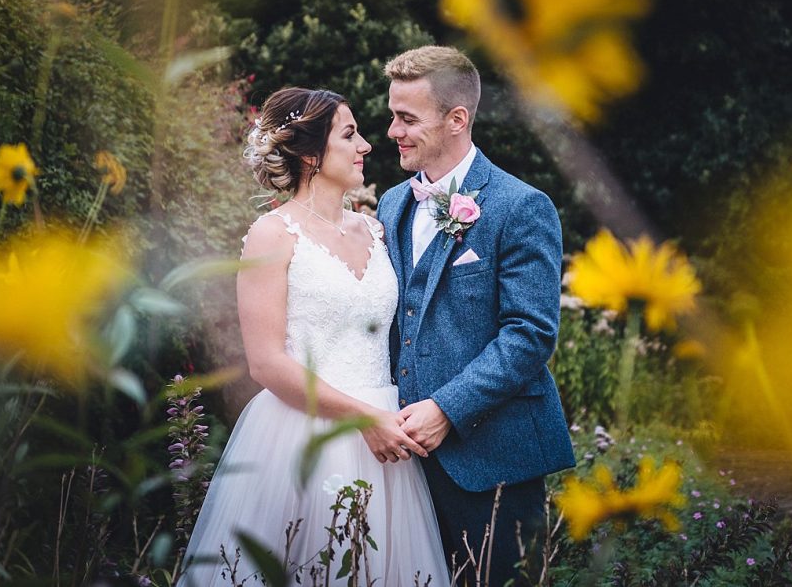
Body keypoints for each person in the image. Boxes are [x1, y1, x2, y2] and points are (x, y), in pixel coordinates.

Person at [180, 87, 449, 586]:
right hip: (305, 430)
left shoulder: (377, 230)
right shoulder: (272, 233)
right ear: (309, 154)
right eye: (350, 135)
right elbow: (265, 363)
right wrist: (362, 417)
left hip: (387, 437)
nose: (366, 145)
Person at [377, 46, 576, 586]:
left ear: (457, 119)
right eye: (392, 114)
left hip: (494, 459)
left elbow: (530, 334)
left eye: (407, 118)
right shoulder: (392, 203)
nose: (392, 130)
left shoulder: (520, 206)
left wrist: (446, 408)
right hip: (402, 462)